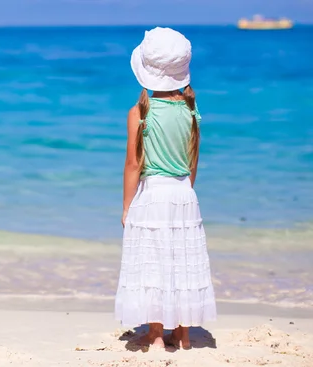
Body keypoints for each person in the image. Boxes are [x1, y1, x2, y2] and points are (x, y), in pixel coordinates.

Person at [115, 27, 217, 349]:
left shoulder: (140, 112)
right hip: (184, 193)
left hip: (152, 194)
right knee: (181, 262)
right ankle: (183, 335)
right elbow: (193, 160)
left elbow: (133, 165)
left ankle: (157, 334)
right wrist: (186, 192)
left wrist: (127, 206)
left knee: (155, 264)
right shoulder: (190, 111)